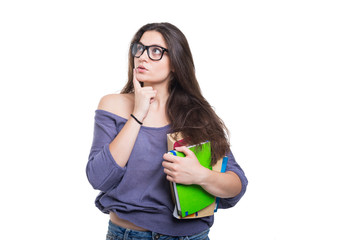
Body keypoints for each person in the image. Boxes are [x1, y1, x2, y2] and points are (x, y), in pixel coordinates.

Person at [86, 22, 248, 240]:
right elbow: (99, 178)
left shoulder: (196, 113)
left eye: (156, 51)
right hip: (129, 234)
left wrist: (201, 175)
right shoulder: (113, 105)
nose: (142, 57)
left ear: (175, 63)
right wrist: (137, 114)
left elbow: (236, 185)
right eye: (139, 48)